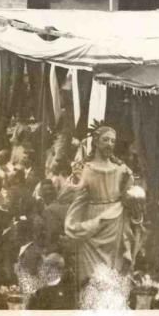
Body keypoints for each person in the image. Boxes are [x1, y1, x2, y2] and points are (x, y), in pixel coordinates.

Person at [63, 126, 142, 293]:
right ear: (96, 142)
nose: (110, 144)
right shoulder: (88, 168)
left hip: (114, 221)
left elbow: (130, 189)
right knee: (90, 274)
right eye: (105, 140)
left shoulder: (120, 168)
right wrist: (73, 184)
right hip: (93, 221)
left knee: (113, 268)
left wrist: (132, 196)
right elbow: (79, 187)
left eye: (112, 141)